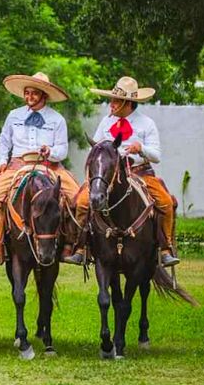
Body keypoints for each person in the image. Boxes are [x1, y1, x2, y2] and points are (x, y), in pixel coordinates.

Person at [64, 76, 180, 267]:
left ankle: (165, 248)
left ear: (128, 102)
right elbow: (96, 149)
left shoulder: (146, 124)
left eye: (115, 101)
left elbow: (157, 155)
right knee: (82, 202)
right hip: (110, 175)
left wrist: (140, 148)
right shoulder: (106, 122)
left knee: (165, 203)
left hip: (139, 172)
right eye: (112, 100)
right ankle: (81, 247)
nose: (111, 104)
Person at [0, 72, 80, 264]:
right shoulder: (14, 115)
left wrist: (50, 151)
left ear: (44, 95)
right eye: (27, 93)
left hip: (49, 165)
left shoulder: (57, 119)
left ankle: (70, 244)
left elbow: (63, 149)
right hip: (17, 164)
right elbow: (3, 141)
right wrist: (2, 161)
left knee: (76, 197)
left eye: (34, 93)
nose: (29, 97)